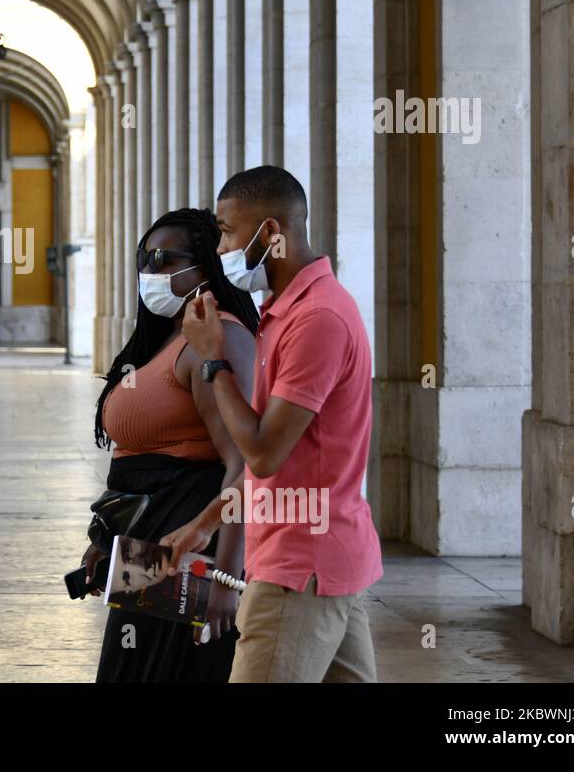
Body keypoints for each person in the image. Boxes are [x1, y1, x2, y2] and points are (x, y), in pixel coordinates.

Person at [170, 165, 383, 682]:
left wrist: (213, 360)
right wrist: (205, 523)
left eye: (225, 231)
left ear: (269, 234)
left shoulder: (318, 320)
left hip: (298, 570)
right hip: (322, 561)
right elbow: (284, 464)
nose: (219, 248)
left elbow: (264, 452)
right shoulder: (289, 310)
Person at [86, 208, 259, 682]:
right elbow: (141, 463)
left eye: (163, 259)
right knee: (132, 667)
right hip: (149, 549)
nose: (149, 272)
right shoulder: (172, 336)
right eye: (143, 259)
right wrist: (106, 541)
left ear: (204, 265)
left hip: (191, 553)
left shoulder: (219, 339)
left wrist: (227, 581)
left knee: (168, 671)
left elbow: (243, 465)